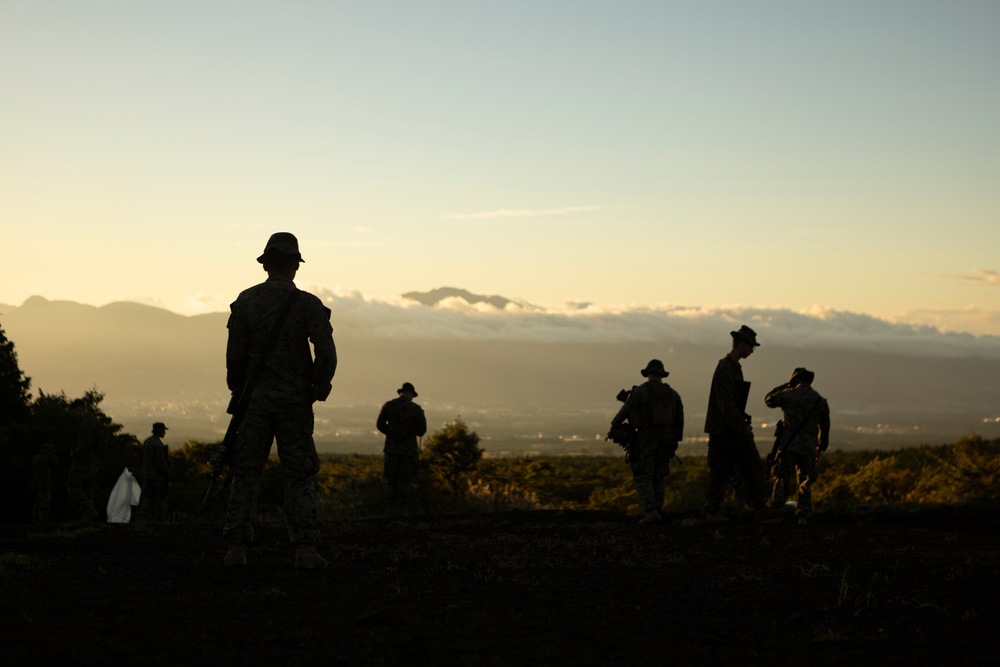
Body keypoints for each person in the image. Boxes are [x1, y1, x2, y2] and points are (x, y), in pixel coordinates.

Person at [222, 232, 337, 569]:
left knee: (245, 474)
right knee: (298, 477)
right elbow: (327, 353)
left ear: (266, 265)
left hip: (254, 403)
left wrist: (238, 389)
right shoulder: (308, 305)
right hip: (295, 404)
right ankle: (305, 549)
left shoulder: (245, 301)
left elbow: (235, 356)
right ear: (294, 267)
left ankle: (235, 549)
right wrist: (318, 386)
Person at [703, 325, 770, 522]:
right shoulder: (725, 368)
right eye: (751, 346)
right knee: (721, 471)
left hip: (731, 430)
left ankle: (760, 507)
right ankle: (712, 511)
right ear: (742, 344)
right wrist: (742, 427)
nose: (752, 351)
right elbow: (727, 404)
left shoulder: (732, 368)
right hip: (725, 432)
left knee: (752, 467)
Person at [609, 359, 684, 524]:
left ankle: (651, 512)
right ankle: (658, 509)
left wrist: (613, 428)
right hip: (666, 442)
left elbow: (625, 411)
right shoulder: (674, 394)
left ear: (648, 373)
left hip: (646, 441)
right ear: (661, 374)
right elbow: (680, 420)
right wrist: (675, 441)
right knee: (659, 477)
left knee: (643, 475)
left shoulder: (641, 391)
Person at [764, 367, 831, 525]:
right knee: (805, 480)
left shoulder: (788, 395)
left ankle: (777, 513)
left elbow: (768, 400)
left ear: (795, 380)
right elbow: (825, 426)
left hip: (788, 445)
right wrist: (821, 447)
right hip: (808, 447)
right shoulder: (819, 400)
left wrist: (784, 386)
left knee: (781, 478)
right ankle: (803, 515)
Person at [377, 382, 427, 516]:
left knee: (391, 478)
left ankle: (389, 510)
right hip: (409, 451)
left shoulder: (389, 406)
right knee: (405, 479)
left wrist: (391, 433)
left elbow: (380, 424)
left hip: (391, 449)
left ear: (401, 392)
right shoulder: (416, 410)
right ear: (411, 394)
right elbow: (422, 431)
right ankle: (402, 511)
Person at [67, 399, 102, 523]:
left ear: (79, 409)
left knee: (73, 486)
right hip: (94, 460)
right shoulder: (95, 421)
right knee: (88, 488)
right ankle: (89, 518)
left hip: (84, 460)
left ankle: (88, 510)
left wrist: (74, 454)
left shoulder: (86, 423)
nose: (74, 416)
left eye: (74, 412)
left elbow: (85, 444)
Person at [137, 422, 171, 521]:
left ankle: (142, 519)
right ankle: (159, 520)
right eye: (163, 430)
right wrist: (167, 473)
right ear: (159, 431)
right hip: (157, 477)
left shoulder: (147, 442)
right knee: (159, 500)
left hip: (147, 475)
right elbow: (161, 463)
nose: (164, 432)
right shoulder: (157, 445)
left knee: (147, 499)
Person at [32, 443, 59, 525]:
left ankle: (37, 520)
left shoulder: (35, 458)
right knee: (44, 502)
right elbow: (55, 461)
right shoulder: (42, 460)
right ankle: (42, 521)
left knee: (37, 502)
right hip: (42, 483)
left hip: (36, 482)